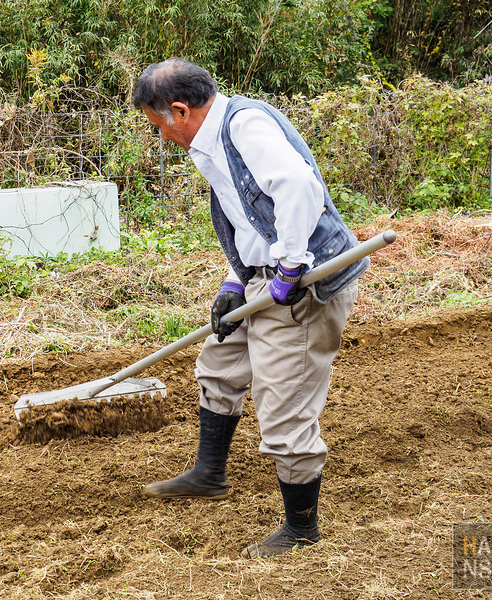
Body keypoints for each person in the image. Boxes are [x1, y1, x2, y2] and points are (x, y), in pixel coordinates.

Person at [131, 58, 368, 559]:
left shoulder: (245, 126)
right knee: (219, 365)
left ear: (179, 110)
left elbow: (299, 188)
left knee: (284, 409)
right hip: (263, 280)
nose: (163, 137)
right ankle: (209, 474)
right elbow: (246, 218)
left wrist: (288, 268)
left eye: (160, 127)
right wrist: (234, 281)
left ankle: (302, 529)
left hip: (305, 285)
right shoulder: (211, 145)